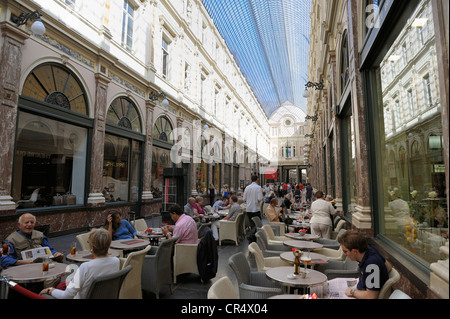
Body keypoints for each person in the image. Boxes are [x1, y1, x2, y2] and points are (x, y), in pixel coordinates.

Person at [40, 228, 120, 299]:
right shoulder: (116, 261)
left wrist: (49, 290)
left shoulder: (86, 267)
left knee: (44, 295)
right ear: (108, 245)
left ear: (92, 248)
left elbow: (66, 296)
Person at [338, 231, 390, 299]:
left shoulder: (372, 265)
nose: (344, 254)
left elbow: (371, 296)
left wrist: (352, 292)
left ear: (355, 251)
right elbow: (389, 266)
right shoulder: (369, 249)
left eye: (345, 251)